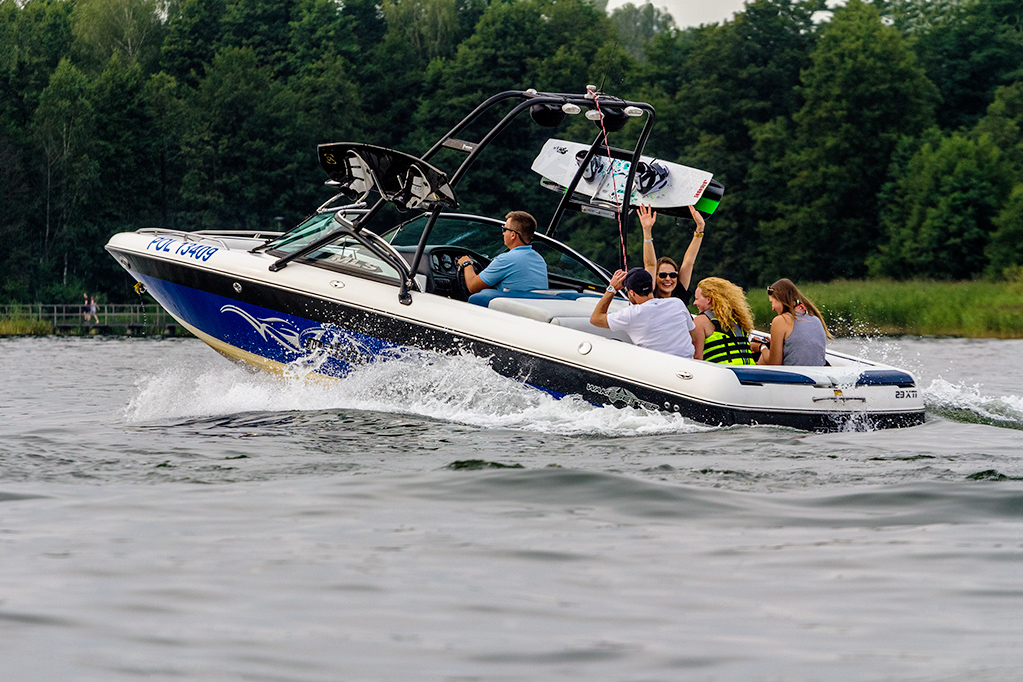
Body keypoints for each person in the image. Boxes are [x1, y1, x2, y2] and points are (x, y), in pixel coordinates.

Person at [590, 267, 696, 358]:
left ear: (632, 292)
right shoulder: (677, 303)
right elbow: (693, 336)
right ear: (652, 287)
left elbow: (595, 319)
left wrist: (611, 289)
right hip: (687, 365)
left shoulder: (631, 314)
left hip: (657, 371)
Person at [457, 211, 548, 294]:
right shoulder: (539, 259)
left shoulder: (506, 259)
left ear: (513, 235)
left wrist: (466, 263)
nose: (503, 233)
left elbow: (473, 287)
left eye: (505, 229)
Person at [638, 203, 706, 305]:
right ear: (654, 277)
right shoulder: (650, 295)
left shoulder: (679, 295)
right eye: (662, 275)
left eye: (673, 275)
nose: (668, 279)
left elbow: (688, 262)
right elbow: (650, 264)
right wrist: (646, 230)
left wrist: (700, 227)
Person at [754, 278, 831, 366]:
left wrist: (761, 347)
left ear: (780, 299)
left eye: (772, 302)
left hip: (795, 377)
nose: (773, 308)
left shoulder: (780, 321)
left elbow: (774, 364)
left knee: (761, 360)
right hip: (816, 375)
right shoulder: (816, 319)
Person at [691, 277, 756, 364]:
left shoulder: (700, 321)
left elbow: (696, 358)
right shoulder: (739, 319)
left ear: (708, 299)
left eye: (696, 299)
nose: (694, 303)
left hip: (722, 373)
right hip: (748, 372)